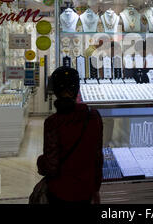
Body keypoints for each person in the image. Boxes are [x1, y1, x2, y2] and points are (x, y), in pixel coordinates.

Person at [37, 67, 103, 204]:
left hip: (60, 192)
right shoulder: (94, 117)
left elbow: (51, 166)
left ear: (55, 90)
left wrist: (40, 162)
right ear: (77, 88)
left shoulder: (53, 123)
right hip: (86, 191)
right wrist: (95, 189)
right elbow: (98, 158)